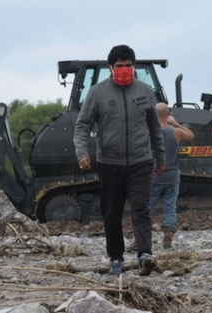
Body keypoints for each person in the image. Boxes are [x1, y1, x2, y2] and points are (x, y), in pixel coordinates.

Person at [73, 44, 166, 276]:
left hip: (140, 161)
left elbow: (154, 127)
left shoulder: (145, 91)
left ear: (134, 67)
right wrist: (82, 152)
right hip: (110, 163)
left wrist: (160, 156)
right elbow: (82, 125)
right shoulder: (97, 93)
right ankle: (116, 258)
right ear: (110, 68)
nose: (124, 69)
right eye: (119, 66)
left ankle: (145, 254)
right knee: (112, 211)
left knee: (141, 208)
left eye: (128, 66)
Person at [150, 103, 194, 248]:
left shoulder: (150, 132)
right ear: (167, 114)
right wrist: (176, 123)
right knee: (170, 207)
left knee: (147, 208)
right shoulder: (176, 132)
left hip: (154, 177)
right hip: (172, 177)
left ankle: (141, 239)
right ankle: (168, 236)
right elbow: (191, 135)